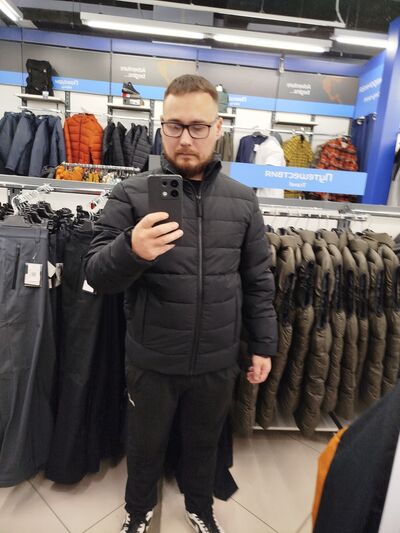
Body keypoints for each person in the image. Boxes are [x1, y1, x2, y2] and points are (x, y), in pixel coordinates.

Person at [85, 74, 277, 533]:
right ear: (161, 126)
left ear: (218, 128)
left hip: (217, 359)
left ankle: (200, 509)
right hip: (152, 359)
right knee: (144, 444)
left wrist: (263, 345)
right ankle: (138, 512)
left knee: (203, 444)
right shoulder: (131, 194)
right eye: (174, 126)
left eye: (197, 126)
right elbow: (94, 273)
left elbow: (258, 280)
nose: (185, 139)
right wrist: (131, 248)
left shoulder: (243, 201)